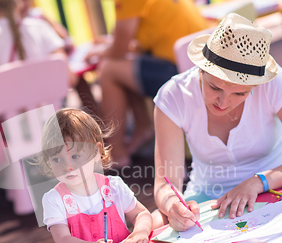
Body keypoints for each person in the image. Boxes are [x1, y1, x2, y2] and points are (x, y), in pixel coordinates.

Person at [152, 13, 282, 231]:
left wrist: (257, 182)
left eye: (239, 94)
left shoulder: (274, 84)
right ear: (201, 69)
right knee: (152, 225)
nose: (223, 102)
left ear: (256, 85)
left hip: (279, 186)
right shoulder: (174, 95)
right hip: (208, 198)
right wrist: (173, 204)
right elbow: (165, 184)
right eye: (215, 87)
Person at [86, 0, 208, 167]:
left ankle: (116, 153)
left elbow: (118, 50)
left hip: (183, 72)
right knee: (124, 66)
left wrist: (101, 51)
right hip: (200, 63)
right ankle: (142, 127)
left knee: (108, 70)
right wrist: (111, 45)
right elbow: (135, 43)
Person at [38, 108, 152, 243]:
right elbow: (63, 240)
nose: (68, 166)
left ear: (96, 151)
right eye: (57, 160)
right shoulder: (54, 199)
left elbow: (141, 214)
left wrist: (140, 231)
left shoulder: (113, 187)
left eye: (75, 156)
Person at [0, 0, 75, 99]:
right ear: (18, 4)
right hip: (51, 115)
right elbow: (69, 77)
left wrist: (1, 83)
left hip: (12, 120)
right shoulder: (40, 27)